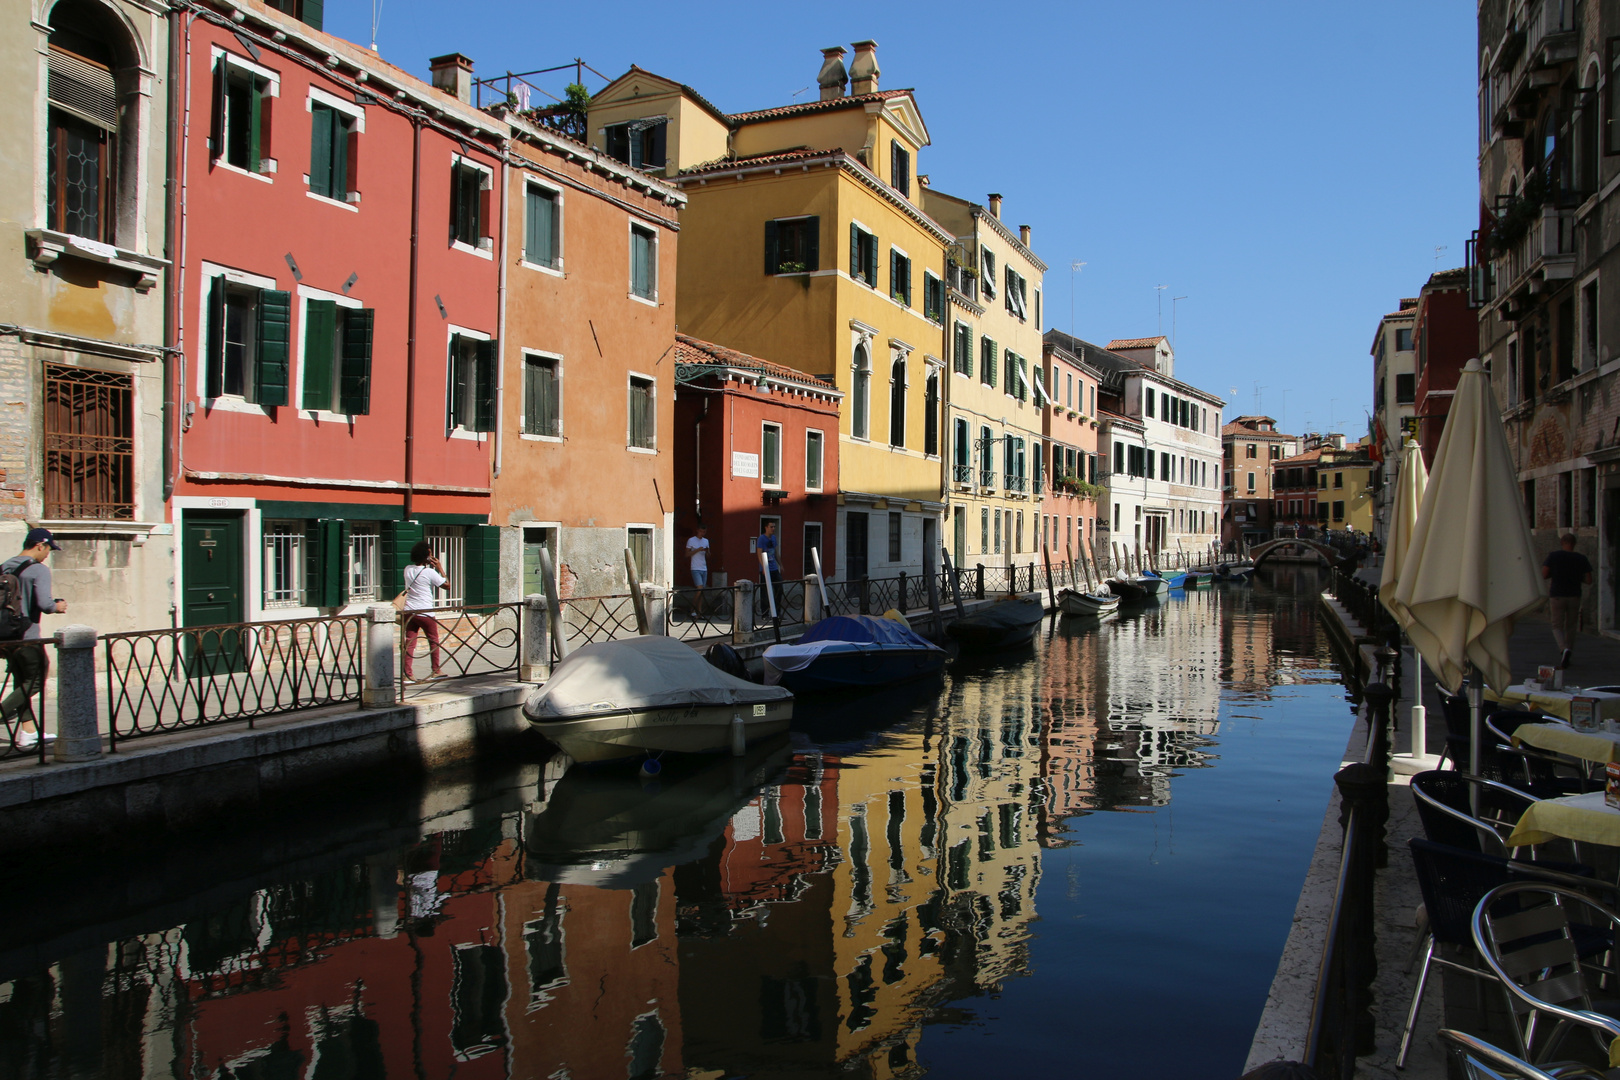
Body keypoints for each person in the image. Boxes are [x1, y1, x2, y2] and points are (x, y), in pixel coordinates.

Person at [1, 529, 66, 749]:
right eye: (48, 549)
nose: (48, 554)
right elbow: (45, 604)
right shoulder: (38, 570)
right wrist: (58, 606)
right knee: (36, 679)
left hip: (6, 637)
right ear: (40, 545)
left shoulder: (5, 566)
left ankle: (28, 732)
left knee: (21, 682)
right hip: (27, 637)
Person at [1543, 532, 1593, 668]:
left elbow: (1544, 574)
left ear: (1562, 542)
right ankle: (1568, 650)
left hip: (1557, 595)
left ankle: (1563, 648)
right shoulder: (1581, 558)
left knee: (1556, 625)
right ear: (1574, 544)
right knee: (1571, 626)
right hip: (1574, 596)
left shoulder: (1554, 556)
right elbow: (1589, 580)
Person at [402, 540, 448, 682]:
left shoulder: (407, 569)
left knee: (410, 641)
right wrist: (440, 568)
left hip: (409, 610)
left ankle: (407, 673)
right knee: (433, 640)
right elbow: (447, 585)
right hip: (425, 611)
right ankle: (436, 670)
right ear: (426, 557)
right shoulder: (429, 572)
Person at [757, 520, 784, 618]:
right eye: (771, 527)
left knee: (779, 589)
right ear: (766, 527)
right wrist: (763, 567)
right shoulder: (761, 539)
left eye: (774, 527)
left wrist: (780, 565)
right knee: (765, 591)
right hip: (765, 569)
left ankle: (777, 612)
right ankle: (765, 614)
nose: (773, 529)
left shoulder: (773, 538)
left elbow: (776, 552)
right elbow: (759, 553)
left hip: (774, 568)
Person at [685, 523, 710, 614]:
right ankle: (692, 608)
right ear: (697, 530)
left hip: (704, 568)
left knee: (701, 591)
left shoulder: (706, 541)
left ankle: (699, 611)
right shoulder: (691, 540)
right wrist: (697, 550)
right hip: (695, 568)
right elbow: (687, 554)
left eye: (704, 532)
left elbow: (709, 555)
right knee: (699, 588)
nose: (702, 533)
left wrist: (706, 552)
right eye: (701, 531)